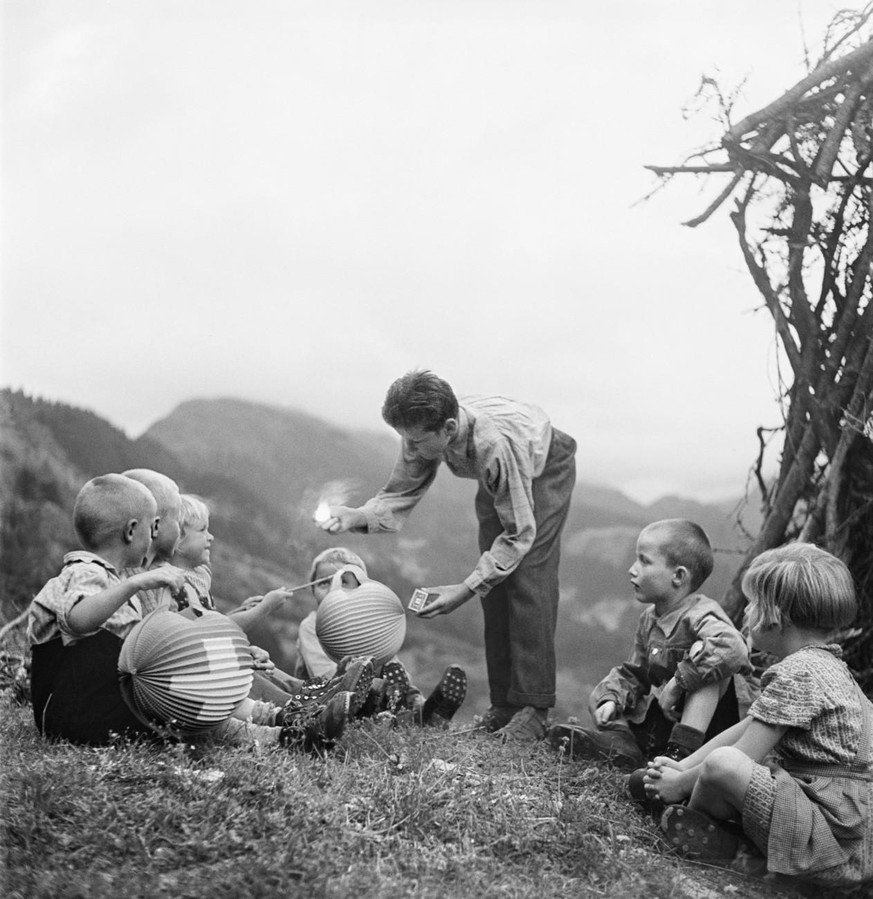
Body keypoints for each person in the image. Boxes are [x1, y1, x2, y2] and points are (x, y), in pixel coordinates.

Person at [319, 370, 576, 741]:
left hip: (542, 465)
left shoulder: (494, 447)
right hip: (500, 475)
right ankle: (504, 706)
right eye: (404, 438)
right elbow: (400, 491)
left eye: (418, 441)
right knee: (495, 579)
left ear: (449, 427)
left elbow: (519, 535)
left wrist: (465, 588)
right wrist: (356, 515)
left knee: (527, 574)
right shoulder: (422, 430)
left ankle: (534, 711)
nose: (410, 448)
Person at [26, 474, 355, 751]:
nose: (155, 532)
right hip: (72, 712)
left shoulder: (113, 579)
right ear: (131, 532)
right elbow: (80, 621)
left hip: (95, 704)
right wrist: (136, 585)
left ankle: (287, 728)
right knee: (190, 700)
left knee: (195, 695)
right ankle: (285, 733)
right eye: (154, 524)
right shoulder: (87, 570)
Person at [645, 543, 873, 888]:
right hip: (849, 837)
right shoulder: (828, 665)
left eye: (753, 603)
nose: (747, 612)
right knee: (725, 765)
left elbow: (742, 752)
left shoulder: (799, 672)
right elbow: (748, 725)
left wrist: (678, 782)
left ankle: (707, 828)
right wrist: (683, 764)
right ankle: (719, 830)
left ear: (775, 615)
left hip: (828, 843)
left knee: (725, 764)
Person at [549, 520, 751, 796]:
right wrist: (612, 698)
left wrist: (678, 682)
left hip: (711, 731)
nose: (632, 569)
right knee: (609, 687)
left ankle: (679, 757)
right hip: (667, 719)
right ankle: (622, 744)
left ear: (678, 576)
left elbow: (734, 649)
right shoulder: (649, 619)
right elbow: (636, 673)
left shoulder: (702, 614)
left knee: (705, 663)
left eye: (644, 561)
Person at [170, 494, 374, 712]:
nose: (210, 537)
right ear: (178, 537)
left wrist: (240, 611)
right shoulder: (173, 585)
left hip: (212, 661)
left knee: (269, 673)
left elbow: (209, 623)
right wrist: (264, 607)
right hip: (199, 672)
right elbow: (205, 633)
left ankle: (335, 693)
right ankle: (311, 707)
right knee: (251, 675)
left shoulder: (197, 579)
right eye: (202, 530)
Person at [302, 546, 467, 727]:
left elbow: (393, 667)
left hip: (371, 691)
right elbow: (324, 678)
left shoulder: (367, 624)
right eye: (323, 583)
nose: (332, 589)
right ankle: (415, 716)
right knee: (379, 678)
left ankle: (423, 710)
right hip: (331, 697)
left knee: (392, 668)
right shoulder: (312, 627)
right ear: (312, 590)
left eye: (342, 582)